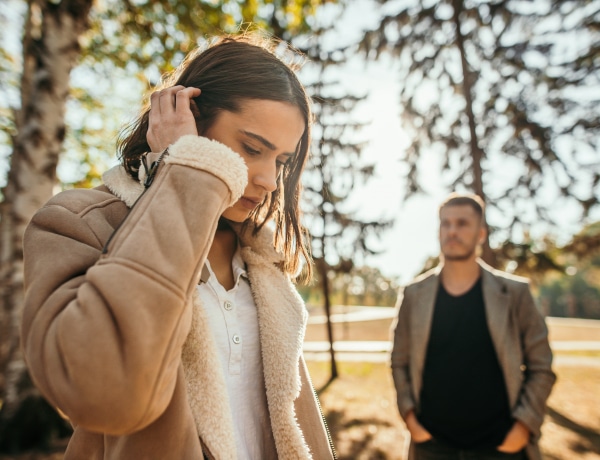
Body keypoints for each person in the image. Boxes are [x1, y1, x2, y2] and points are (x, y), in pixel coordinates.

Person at [21, 34, 336, 460]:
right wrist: (187, 171)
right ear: (188, 118)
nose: (267, 179)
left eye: (280, 161)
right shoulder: (78, 224)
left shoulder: (262, 259)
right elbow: (99, 393)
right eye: (251, 148)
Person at [390, 192, 556, 460]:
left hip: (501, 447)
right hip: (431, 447)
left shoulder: (515, 293)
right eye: (446, 223)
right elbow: (399, 361)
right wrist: (410, 418)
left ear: (481, 234)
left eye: (462, 223)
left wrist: (524, 426)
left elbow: (541, 367)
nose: (452, 231)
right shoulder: (413, 294)